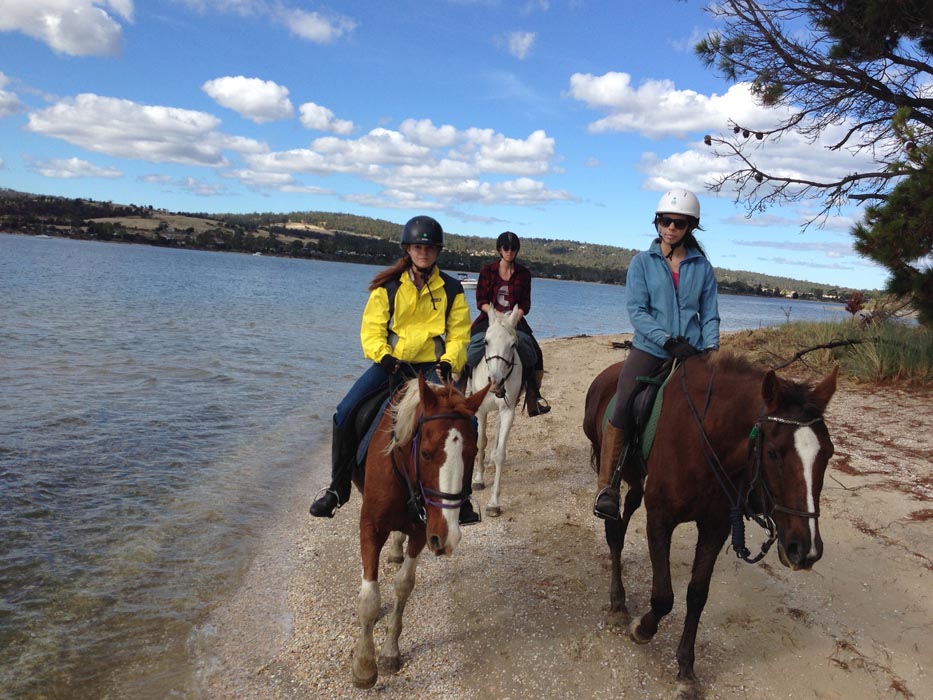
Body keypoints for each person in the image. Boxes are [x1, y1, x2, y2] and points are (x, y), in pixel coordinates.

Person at [309, 215, 481, 524]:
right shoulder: (387, 287)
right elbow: (372, 331)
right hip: (392, 365)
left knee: (467, 421)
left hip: (432, 366)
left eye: (429, 248)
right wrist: (384, 356)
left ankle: (464, 498)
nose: (423, 252)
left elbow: (459, 335)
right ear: (408, 249)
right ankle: (337, 489)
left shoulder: (453, 289)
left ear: (437, 251)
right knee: (344, 413)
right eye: (418, 247)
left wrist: (448, 360)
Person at [593, 189, 720, 520]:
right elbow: (637, 311)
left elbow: (709, 314)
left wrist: (711, 349)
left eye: (678, 223)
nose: (671, 228)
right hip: (650, 348)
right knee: (622, 402)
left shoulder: (702, 267)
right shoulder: (641, 263)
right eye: (665, 221)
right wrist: (665, 341)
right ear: (657, 222)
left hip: (693, 351)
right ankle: (607, 487)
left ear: (690, 226)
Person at [465, 231, 550, 417]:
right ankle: (465, 390)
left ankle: (533, 398)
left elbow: (525, 304)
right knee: (470, 349)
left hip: (515, 321)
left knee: (535, 354)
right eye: (506, 248)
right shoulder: (487, 271)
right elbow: (481, 301)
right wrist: (494, 316)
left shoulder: (524, 274)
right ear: (499, 250)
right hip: (489, 319)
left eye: (513, 248)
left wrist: (513, 320)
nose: (509, 251)